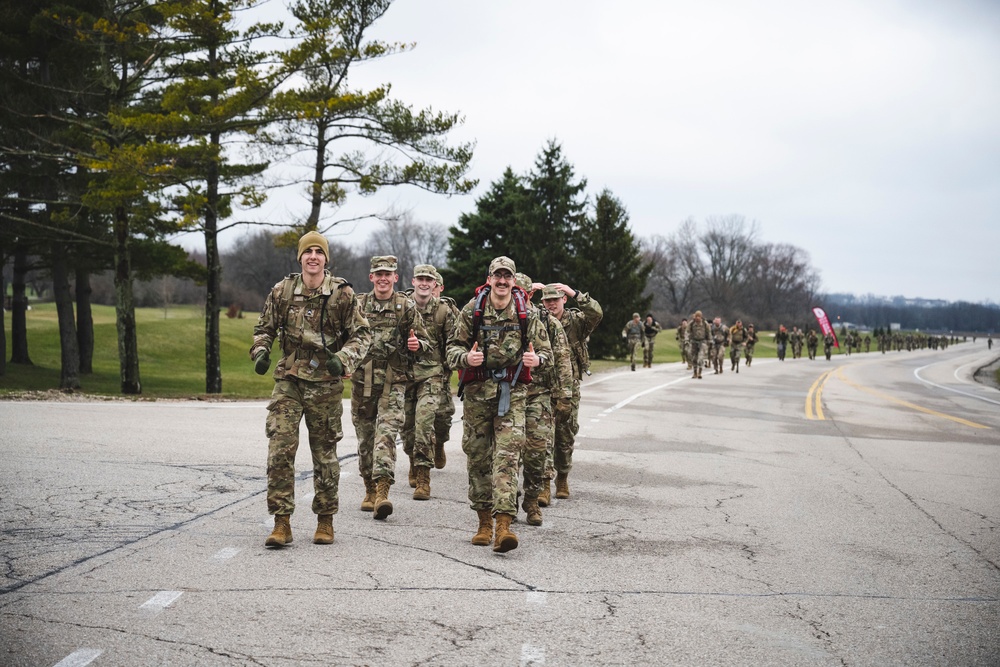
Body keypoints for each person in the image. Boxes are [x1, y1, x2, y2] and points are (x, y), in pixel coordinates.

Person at [250, 231, 372, 548]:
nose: (313, 256)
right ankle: (281, 523)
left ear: (325, 259)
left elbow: (362, 335)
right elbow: (263, 328)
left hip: (325, 382)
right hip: (289, 378)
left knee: (325, 455)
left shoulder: (342, 294)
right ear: (300, 257)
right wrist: (261, 350)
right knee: (279, 447)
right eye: (308, 252)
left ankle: (325, 520)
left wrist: (344, 359)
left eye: (319, 251)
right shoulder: (282, 290)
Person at [446, 257, 551, 553]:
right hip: (478, 394)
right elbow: (451, 348)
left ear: (513, 281)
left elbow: (547, 352)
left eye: (508, 276)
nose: (502, 281)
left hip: (512, 394)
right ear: (489, 278)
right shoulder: (473, 310)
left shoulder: (525, 311)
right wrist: (466, 358)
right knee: (478, 458)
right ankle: (483, 522)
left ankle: (503, 526)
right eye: (498, 276)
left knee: (506, 457)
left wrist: (537, 360)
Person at [351, 255, 430, 521]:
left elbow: (425, 341)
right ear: (371, 277)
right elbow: (344, 338)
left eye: (388, 274)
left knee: (385, 435)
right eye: (378, 273)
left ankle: (383, 492)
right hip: (362, 383)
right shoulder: (358, 305)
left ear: (395, 278)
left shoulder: (405, 307)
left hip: (393, 383)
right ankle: (369, 489)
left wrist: (417, 345)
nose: (383, 278)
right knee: (365, 441)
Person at [516, 273, 572, 525]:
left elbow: (562, 360)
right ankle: (507, 497)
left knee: (539, 447)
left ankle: (540, 488)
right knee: (508, 450)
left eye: (524, 293)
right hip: (506, 393)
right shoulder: (494, 317)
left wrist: (564, 396)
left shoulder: (547, 323)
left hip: (539, 392)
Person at [540, 281, 602, 500]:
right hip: (542, 386)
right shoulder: (537, 320)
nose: (551, 305)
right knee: (542, 435)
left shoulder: (576, 321)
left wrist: (575, 293)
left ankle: (562, 476)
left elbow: (596, 314)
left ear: (563, 300)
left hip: (569, 385)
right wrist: (527, 290)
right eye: (547, 300)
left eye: (555, 300)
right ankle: (544, 484)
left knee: (565, 434)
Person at [400, 264, 456, 501]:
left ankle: (424, 478)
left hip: (433, 375)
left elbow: (453, 343)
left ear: (435, 284)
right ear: (413, 281)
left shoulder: (444, 311)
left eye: (429, 279)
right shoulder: (401, 306)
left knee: (429, 423)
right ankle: (414, 459)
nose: (424, 283)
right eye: (420, 278)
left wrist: (451, 366)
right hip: (404, 375)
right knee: (408, 427)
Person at [431, 269, 458, 467]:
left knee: (443, 417)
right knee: (414, 420)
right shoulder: (412, 307)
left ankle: (439, 443)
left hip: (441, 373)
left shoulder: (449, 311)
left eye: (435, 285)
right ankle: (418, 464)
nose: (430, 288)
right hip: (416, 373)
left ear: (440, 288)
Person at [687, 310, 711, 378]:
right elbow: (687, 331)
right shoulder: (691, 323)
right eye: (696, 316)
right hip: (694, 342)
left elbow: (708, 332)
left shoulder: (705, 323)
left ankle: (699, 372)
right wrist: (687, 339)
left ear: (701, 317)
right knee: (694, 358)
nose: (697, 318)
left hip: (702, 342)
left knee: (700, 358)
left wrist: (710, 340)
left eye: (699, 316)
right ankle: (695, 372)